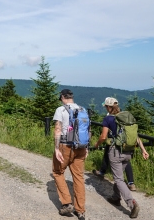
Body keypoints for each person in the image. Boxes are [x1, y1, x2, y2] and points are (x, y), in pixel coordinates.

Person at [94, 97, 149, 219]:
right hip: (129, 152)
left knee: (118, 179)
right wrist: (143, 150)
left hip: (116, 152)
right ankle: (116, 197)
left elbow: (103, 137)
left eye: (105, 107)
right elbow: (136, 136)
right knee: (119, 177)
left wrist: (96, 144)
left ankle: (132, 203)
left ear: (108, 107)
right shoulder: (125, 118)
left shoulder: (108, 119)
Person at [52, 89, 88, 220]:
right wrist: (87, 148)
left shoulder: (60, 110)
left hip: (65, 145)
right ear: (72, 97)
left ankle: (67, 203)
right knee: (78, 177)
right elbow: (87, 130)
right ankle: (80, 211)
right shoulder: (82, 109)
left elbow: (57, 129)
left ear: (62, 97)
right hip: (81, 147)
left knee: (57, 172)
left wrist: (56, 149)